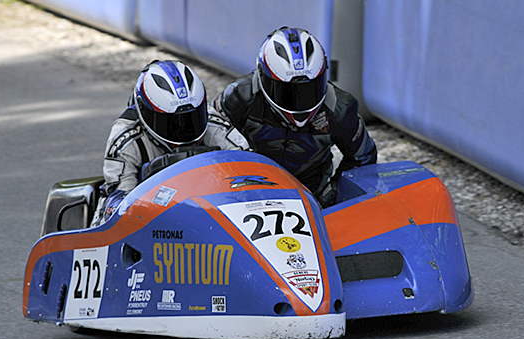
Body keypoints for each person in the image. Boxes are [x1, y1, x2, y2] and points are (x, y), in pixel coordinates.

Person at [212, 27, 377, 207]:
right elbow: (212, 142)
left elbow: (363, 157)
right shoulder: (239, 97)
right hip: (247, 194)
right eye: (287, 93)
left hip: (312, 197)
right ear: (262, 77)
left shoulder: (340, 108)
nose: (299, 102)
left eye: (308, 90)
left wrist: (331, 194)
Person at [93, 59, 249, 225]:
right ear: (145, 113)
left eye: (191, 119)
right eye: (171, 123)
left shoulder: (214, 124)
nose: (183, 130)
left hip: (206, 210)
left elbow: (249, 168)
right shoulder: (126, 138)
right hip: (149, 219)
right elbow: (118, 202)